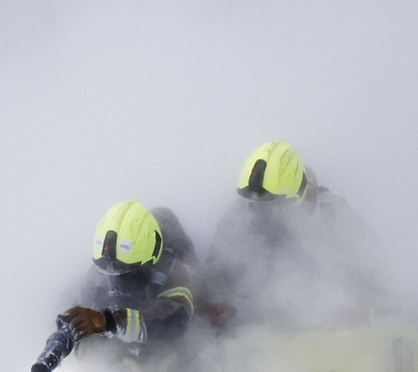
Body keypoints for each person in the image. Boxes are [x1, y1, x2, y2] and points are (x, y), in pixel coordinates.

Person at [204, 140, 384, 327]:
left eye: (272, 203)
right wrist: (218, 304)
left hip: (334, 329)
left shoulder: (333, 213)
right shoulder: (240, 216)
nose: (261, 209)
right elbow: (214, 271)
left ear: (297, 195)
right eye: (256, 202)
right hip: (263, 329)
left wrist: (359, 303)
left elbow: (375, 268)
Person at [60, 199, 197, 348]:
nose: (115, 280)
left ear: (149, 261)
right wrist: (66, 330)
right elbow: (70, 301)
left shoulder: (175, 271)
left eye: (127, 273)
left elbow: (174, 320)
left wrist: (108, 322)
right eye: (109, 273)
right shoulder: (103, 268)